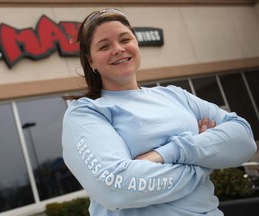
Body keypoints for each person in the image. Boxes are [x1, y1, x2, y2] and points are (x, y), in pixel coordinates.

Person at [61, 8, 257, 216]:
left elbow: (244, 139)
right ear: (91, 61)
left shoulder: (175, 96)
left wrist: (166, 154)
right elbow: (116, 188)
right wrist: (205, 160)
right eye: (104, 46)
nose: (118, 49)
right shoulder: (86, 113)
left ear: (137, 44)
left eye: (125, 39)